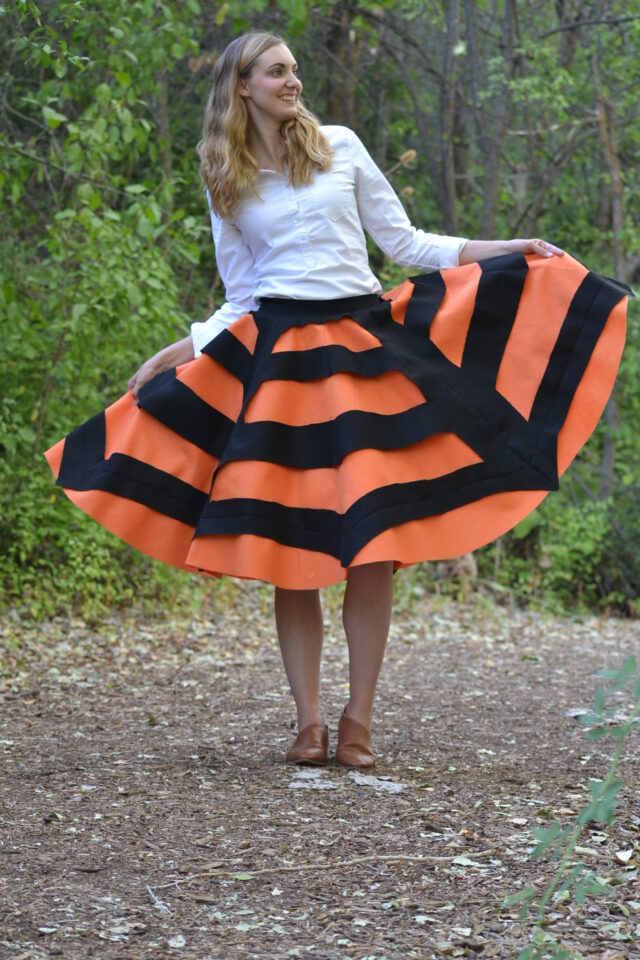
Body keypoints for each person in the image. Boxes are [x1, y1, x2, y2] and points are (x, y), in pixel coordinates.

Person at [46, 32, 627, 770]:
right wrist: (178, 350)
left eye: (294, 70)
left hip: (362, 346)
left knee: (370, 545)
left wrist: (508, 248)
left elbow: (407, 244)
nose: (294, 81)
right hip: (280, 360)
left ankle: (359, 720)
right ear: (244, 86)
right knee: (294, 548)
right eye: (278, 72)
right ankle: (308, 722)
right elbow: (241, 295)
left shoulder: (340, 146)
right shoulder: (224, 175)